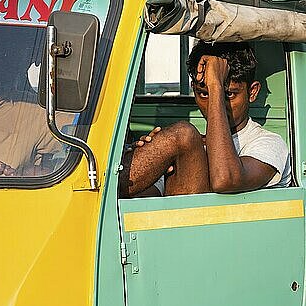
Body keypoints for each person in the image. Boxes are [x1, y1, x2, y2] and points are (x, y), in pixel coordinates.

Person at [120, 41, 291, 198]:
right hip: (177, 228)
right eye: (204, 93)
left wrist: (215, 85)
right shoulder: (193, 146)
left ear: (252, 92)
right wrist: (151, 158)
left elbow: (225, 180)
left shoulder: (269, 144)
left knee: (184, 135)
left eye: (229, 94)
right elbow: (144, 199)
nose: (214, 105)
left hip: (223, 230)